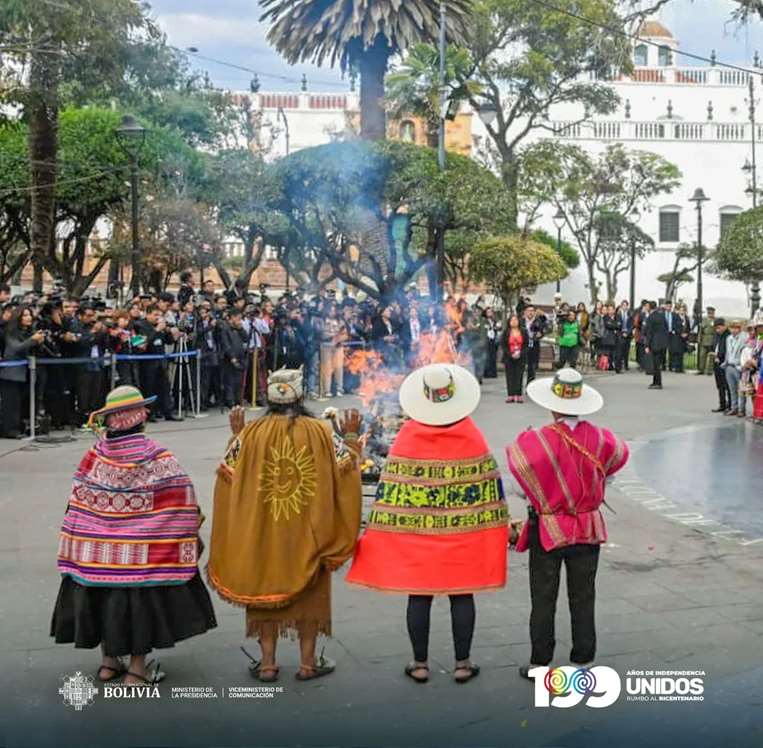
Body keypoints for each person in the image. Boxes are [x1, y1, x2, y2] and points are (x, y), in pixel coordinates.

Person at [347, 364, 509, 684]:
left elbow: (391, 491)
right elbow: (490, 488)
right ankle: (463, 663)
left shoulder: (408, 434)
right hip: (462, 537)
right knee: (462, 595)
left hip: (416, 537)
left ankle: (420, 664)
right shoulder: (470, 433)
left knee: (418, 596)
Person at [51, 385, 216, 684]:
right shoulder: (157, 456)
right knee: (140, 603)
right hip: (143, 554)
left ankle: (108, 663)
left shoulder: (94, 456)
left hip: (98, 552)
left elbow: (77, 499)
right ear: (140, 417)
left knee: (101, 596)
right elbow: (182, 497)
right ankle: (137, 670)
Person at [207, 369, 362, 682]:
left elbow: (228, 477)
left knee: (264, 587)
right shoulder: (320, 431)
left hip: (263, 534)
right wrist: (349, 436)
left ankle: (267, 664)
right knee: (311, 595)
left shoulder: (251, 434)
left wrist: (237, 435)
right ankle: (307, 664)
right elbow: (348, 469)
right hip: (309, 533)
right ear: (300, 396)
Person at [506, 368, 629, 679]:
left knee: (543, 597)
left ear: (553, 405)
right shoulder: (604, 439)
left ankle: (539, 663)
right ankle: (583, 660)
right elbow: (610, 474)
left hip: (548, 530)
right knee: (584, 596)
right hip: (587, 528)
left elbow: (520, 487)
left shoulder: (535, 441)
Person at [0, 306, 44, 438]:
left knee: (22, 403)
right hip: (11, 373)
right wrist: (33, 340)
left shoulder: (29, 331)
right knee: (11, 404)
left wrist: (39, 341)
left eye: (29, 315)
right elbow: (16, 348)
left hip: (26, 373)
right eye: (25, 315)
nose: (28, 318)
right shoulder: (10, 332)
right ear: (18, 318)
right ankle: (9, 430)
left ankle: (21, 426)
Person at [723, 320, 748, 417]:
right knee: (732, 389)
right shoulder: (728, 338)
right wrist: (725, 363)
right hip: (729, 365)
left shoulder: (744, 337)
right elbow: (727, 352)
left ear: (740, 328)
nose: (734, 330)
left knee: (741, 389)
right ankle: (734, 408)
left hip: (739, 366)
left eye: (736, 328)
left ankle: (741, 409)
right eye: (732, 328)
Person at [502, 313, 528, 403]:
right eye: (512, 320)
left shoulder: (523, 331)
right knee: (510, 376)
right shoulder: (506, 332)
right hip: (509, 357)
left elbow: (526, 345)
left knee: (519, 375)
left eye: (515, 320)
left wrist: (520, 353)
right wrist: (510, 354)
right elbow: (503, 345)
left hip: (520, 356)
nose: (514, 322)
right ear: (509, 322)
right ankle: (511, 395)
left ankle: (518, 394)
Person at [644, 301, 669, 390]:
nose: (646, 308)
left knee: (656, 364)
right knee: (658, 364)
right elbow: (666, 328)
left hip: (655, 343)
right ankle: (655, 381)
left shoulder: (651, 317)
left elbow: (649, 332)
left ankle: (658, 383)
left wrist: (647, 345)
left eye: (647, 306)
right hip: (663, 343)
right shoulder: (662, 316)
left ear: (650, 307)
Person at [711, 318, 731, 413]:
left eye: (719, 328)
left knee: (727, 385)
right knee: (720, 385)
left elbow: (727, 350)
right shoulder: (716, 335)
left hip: (724, 363)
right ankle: (722, 404)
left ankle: (731, 405)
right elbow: (714, 345)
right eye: (716, 328)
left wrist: (719, 355)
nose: (717, 330)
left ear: (724, 326)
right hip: (716, 362)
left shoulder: (728, 336)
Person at [669, 305, 691, 373]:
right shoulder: (675, 317)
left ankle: (681, 368)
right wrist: (680, 333)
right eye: (681, 310)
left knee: (682, 353)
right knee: (677, 353)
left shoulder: (686, 318)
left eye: (683, 310)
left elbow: (688, 328)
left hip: (684, 339)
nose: (682, 312)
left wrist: (686, 334)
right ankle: (676, 368)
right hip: (677, 337)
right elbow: (674, 327)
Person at [697, 307, 717, 375]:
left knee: (711, 355)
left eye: (711, 313)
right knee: (702, 355)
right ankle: (701, 369)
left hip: (712, 339)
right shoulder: (704, 320)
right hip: (704, 339)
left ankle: (709, 370)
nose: (710, 314)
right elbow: (701, 330)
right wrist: (699, 339)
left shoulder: (715, 320)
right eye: (709, 313)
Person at [482, 307, 499, 379]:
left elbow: (498, 327)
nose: (489, 313)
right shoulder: (483, 320)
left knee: (493, 356)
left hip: (493, 340)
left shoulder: (494, 320)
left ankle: (493, 372)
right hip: (486, 340)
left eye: (491, 312)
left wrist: (496, 327)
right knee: (487, 356)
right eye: (488, 312)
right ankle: (487, 372)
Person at [615, 300, 632, 371]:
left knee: (626, 351)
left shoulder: (629, 314)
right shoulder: (618, 315)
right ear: (621, 306)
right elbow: (617, 325)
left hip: (628, 335)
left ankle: (626, 365)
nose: (624, 307)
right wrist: (622, 333)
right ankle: (618, 367)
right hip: (620, 334)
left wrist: (627, 333)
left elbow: (631, 325)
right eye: (623, 305)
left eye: (626, 305)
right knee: (619, 351)